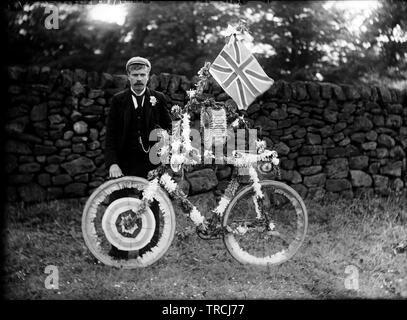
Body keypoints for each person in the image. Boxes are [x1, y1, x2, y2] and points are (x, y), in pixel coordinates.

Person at [105, 56, 172, 259]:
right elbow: (111, 136)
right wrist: (113, 163)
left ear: (149, 76)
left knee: (151, 204)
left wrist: (163, 147)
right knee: (119, 205)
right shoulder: (118, 101)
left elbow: (168, 128)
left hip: (150, 162)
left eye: (143, 75)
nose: (139, 79)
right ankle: (118, 251)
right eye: (135, 75)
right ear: (128, 76)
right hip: (124, 163)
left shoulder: (158, 98)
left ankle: (149, 251)